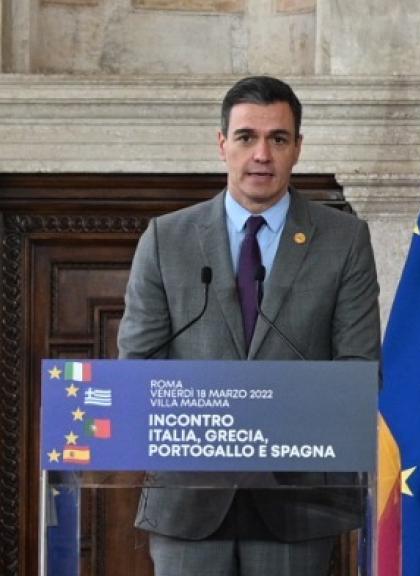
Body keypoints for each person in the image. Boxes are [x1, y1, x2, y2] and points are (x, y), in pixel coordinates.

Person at [117, 76, 381, 576]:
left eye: (277, 139)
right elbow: (137, 368)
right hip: (189, 498)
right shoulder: (166, 238)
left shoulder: (344, 240)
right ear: (222, 145)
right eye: (246, 137)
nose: (262, 154)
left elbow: (358, 371)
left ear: (297, 148)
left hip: (297, 498)